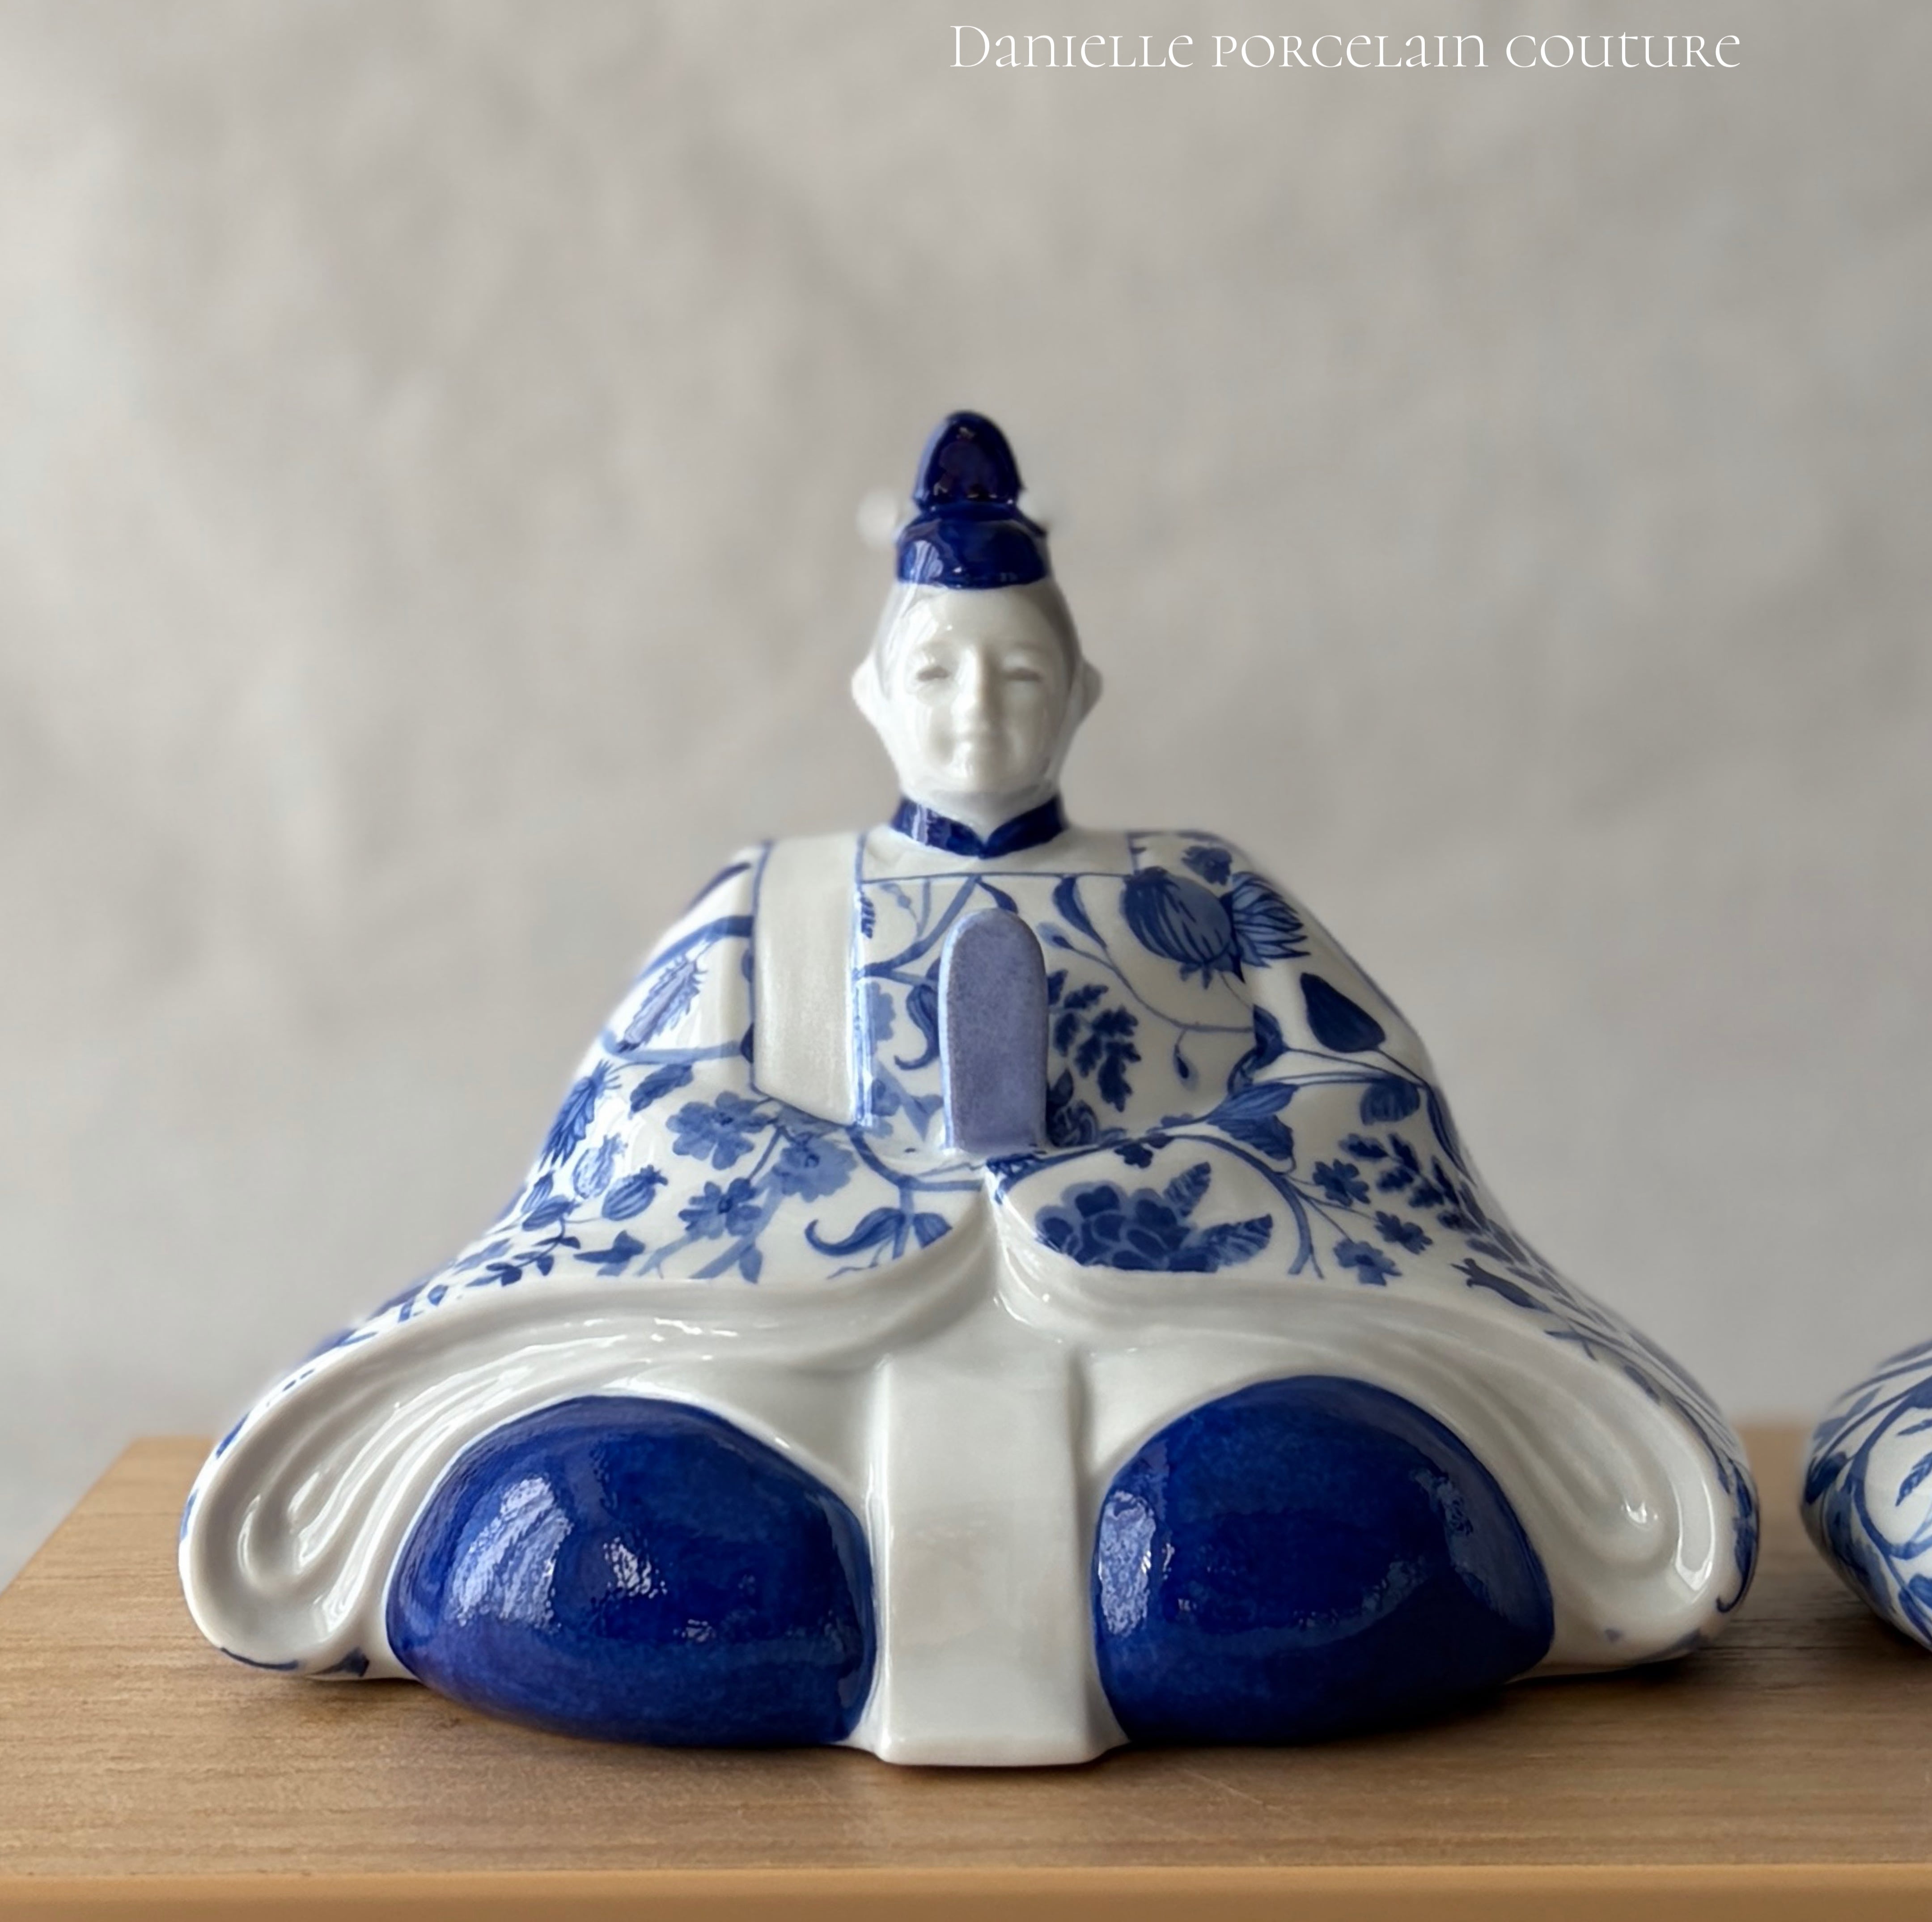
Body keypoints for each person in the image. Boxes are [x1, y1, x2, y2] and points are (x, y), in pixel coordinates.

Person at [180, 412, 1756, 1763]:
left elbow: (1363, 1093)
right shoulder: (769, 898)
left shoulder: (1200, 889)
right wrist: (869, 1197)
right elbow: (635, 1126)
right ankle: (814, 1601)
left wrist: (1144, 1189)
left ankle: (1090, 1602)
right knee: (580, 1527)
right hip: (796, 1339)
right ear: (874, 696)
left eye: (1018, 675)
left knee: (1308, 1516)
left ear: (1081, 694)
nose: (976, 711)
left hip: (1176, 1328)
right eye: (937, 674)